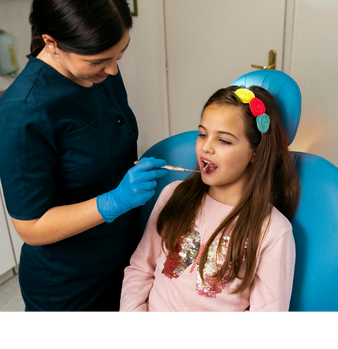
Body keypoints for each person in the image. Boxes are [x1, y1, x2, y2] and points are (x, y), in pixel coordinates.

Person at [0, 0, 167, 314]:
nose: (113, 71)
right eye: (99, 60)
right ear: (52, 41)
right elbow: (32, 227)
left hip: (122, 259)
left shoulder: (101, 72)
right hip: (70, 287)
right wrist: (114, 201)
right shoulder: (22, 113)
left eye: (120, 53)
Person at [120, 85, 301, 313]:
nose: (206, 147)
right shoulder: (173, 195)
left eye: (223, 141)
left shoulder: (273, 231)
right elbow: (139, 270)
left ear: (255, 152)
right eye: (203, 134)